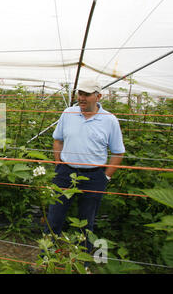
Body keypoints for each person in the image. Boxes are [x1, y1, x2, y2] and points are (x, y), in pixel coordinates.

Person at [44, 79, 125, 251]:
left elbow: (118, 153)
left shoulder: (109, 120)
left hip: (94, 176)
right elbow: (58, 140)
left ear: (98, 96)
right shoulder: (68, 113)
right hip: (65, 172)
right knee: (54, 216)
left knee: (86, 221)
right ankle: (45, 258)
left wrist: (106, 177)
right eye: (80, 93)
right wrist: (59, 164)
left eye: (86, 94)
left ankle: (83, 264)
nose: (81, 97)